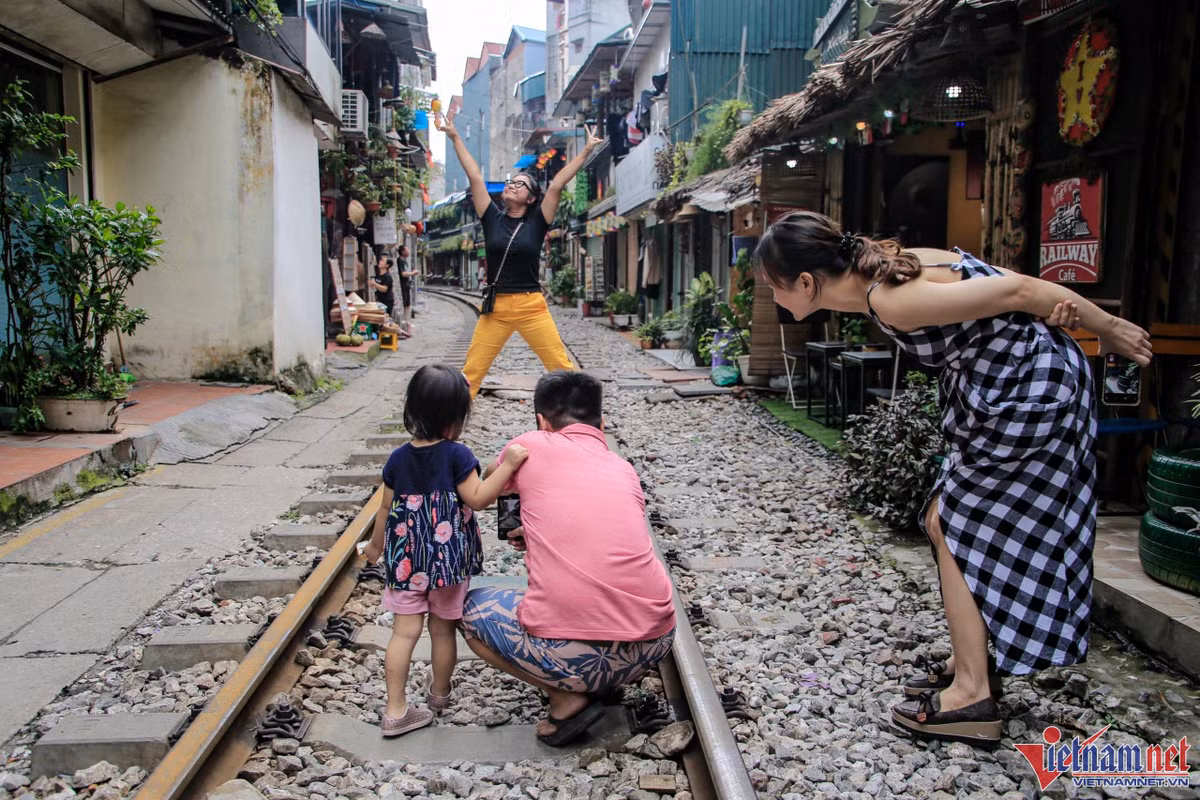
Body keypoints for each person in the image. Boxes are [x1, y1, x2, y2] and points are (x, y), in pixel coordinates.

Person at [753, 211, 1152, 746]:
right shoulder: (887, 277)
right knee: (947, 520)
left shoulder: (890, 297)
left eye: (774, 289)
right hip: (1012, 391)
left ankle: (971, 695)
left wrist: (1109, 328)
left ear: (805, 283)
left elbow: (1016, 291)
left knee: (959, 525)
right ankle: (977, 666)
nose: (775, 302)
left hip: (1026, 397)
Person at [459, 371, 677, 746]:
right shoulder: (623, 468)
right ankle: (601, 683)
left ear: (543, 423)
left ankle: (565, 697)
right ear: (602, 423)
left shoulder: (532, 444)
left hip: (575, 655)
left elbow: (490, 478)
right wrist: (544, 531)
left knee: (467, 609)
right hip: (653, 643)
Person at [362, 363, 530, 737]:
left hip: (406, 563)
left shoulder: (398, 459)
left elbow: (385, 510)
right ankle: (439, 694)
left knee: (403, 634)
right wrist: (509, 465)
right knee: (442, 632)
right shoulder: (457, 455)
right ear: (456, 418)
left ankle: (395, 710)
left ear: (412, 410)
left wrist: (375, 547)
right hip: (448, 565)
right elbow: (479, 498)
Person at [436, 109, 603, 397]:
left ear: (531, 197)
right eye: (511, 182)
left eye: (521, 184)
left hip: (532, 307)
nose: (513, 185)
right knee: (471, 373)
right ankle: (448, 431)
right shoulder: (491, 217)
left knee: (561, 367)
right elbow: (475, 176)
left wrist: (586, 150)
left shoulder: (538, 221)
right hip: (496, 309)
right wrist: (454, 137)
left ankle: (584, 424)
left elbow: (558, 184)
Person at [397, 244, 419, 328]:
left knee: (407, 304)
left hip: (406, 285)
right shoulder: (400, 261)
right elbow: (403, 273)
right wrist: (413, 273)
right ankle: (405, 322)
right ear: (403, 252)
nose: (409, 251)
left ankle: (407, 322)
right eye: (407, 250)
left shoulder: (404, 261)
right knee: (404, 303)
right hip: (402, 285)